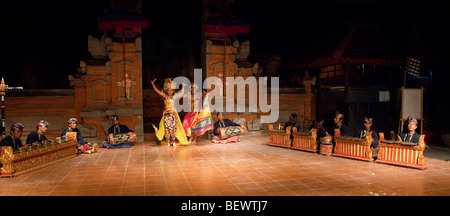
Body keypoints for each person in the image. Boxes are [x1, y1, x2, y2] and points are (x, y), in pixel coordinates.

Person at [152, 78, 190, 146]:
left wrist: (182, 86)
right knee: (167, 129)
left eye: (171, 90)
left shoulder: (174, 96)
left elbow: (181, 92)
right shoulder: (165, 96)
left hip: (173, 115)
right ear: (166, 91)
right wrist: (153, 84)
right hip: (166, 115)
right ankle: (168, 142)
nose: (170, 91)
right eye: (169, 90)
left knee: (174, 129)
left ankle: (174, 141)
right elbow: (157, 91)